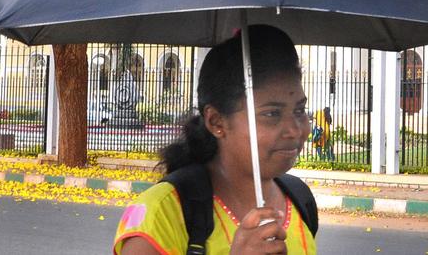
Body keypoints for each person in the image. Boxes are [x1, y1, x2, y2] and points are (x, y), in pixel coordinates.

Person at [114, 25, 315, 254]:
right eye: (272, 114)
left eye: (299, 110)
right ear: (216, 122)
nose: (294, 130)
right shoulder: (162, 213)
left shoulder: (300, 200)